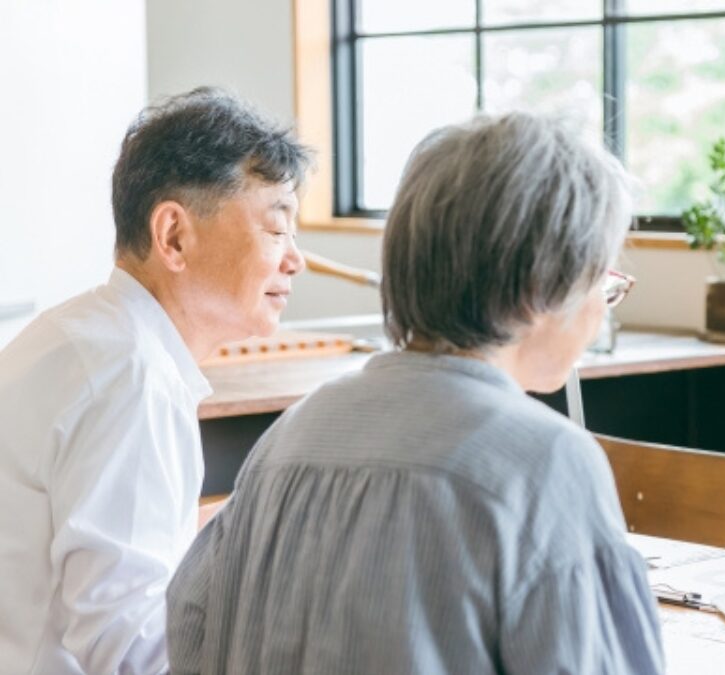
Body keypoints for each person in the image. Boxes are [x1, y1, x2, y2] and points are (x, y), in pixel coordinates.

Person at [166, 112, 664, 674]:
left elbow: (187, 635)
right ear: (541, 285)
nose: (602, 304)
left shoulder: (291, 436)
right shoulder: (545, 462)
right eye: (603, 280)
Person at [0, 88, 310, 673]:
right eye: (277, 229)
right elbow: (133, 654)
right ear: (173, 236)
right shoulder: (133, 380)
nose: (297, 260)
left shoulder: (86, 334)